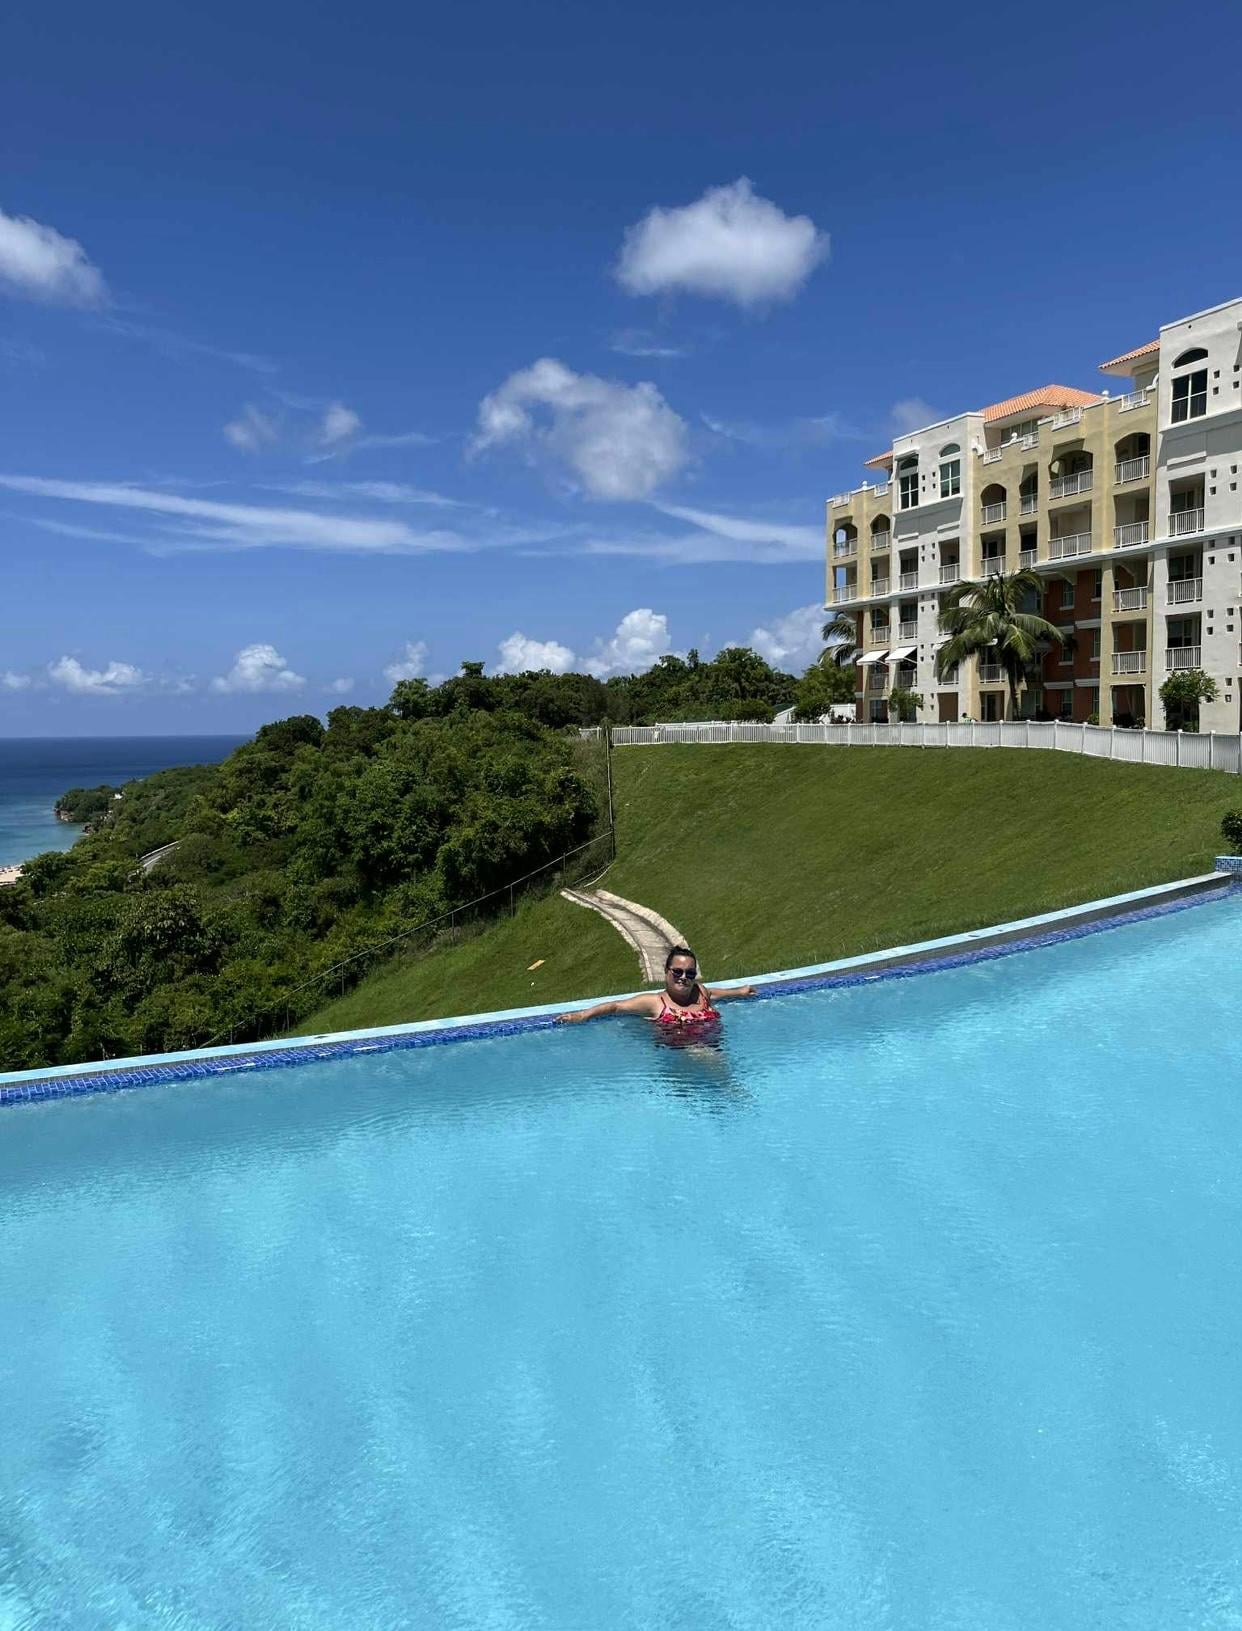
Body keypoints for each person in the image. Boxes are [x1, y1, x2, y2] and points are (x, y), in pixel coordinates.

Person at [556, 946, 755, 1026]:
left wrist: (739, 992)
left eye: (690, 973)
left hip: (714, 1047)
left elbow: (714, 993)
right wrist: (582, 1015)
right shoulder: (655, 1002)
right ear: (666, 972)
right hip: (683, 1052)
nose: (683, 978)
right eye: (677, 971)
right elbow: (616, 1007)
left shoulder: (699, 992)